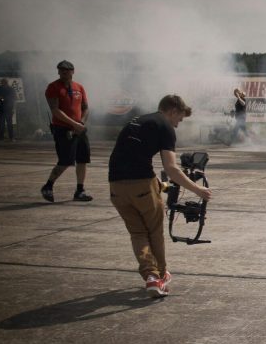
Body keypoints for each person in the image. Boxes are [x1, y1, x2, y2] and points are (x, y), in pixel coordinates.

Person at [109, 94, 212, 298]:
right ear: (172, 111)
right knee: (155, 231)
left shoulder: (136, 120)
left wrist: (157, 184)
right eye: (179, 119)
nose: (177, 125)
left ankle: (150, 275)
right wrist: (198, 190)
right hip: (140, 185)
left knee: (138, 233)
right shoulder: (164, 126)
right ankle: (160, 276)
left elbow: (129, 157)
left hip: (116, 187)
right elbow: (171, 168)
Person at [41, 60, 92, 202]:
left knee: (83, 159)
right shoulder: (53, 87)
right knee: (65, 160)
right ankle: (48, 186)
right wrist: (74, 124)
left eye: (67, 69)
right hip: (63, 129)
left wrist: (80, 123)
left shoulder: (79, 87)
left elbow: (86, 108)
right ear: (58, 71)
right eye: (61, 69)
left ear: (73, 71)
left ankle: (80, 190)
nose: (64, 72)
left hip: (79, 128)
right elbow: (55, 110)